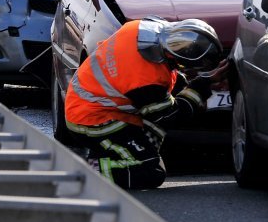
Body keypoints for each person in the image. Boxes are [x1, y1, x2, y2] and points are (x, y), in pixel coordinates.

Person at [65, 17, 229, 189]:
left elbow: (166, 77)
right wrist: (201, 86)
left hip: (93, 103)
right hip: (91, 120)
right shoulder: (145, 79)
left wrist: (197, 81)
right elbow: (172, 116)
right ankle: (85, 174)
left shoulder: (142, 28)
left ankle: (102, 155)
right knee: (150, 171)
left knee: (153, 132)